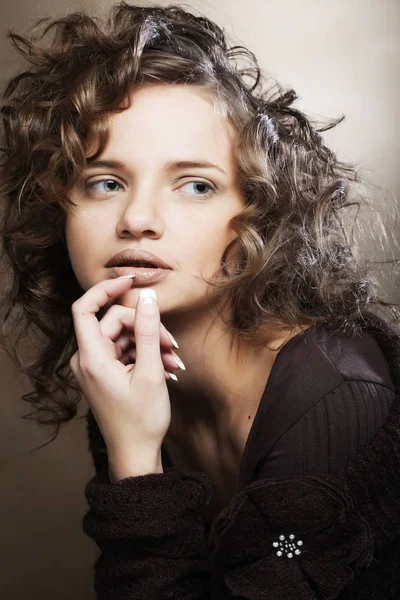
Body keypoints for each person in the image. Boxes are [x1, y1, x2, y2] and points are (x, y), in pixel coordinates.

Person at [1, 2, 400, 598]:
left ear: (255, 217)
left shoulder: (332, 398)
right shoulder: (129, 371)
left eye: (195, 185)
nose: (137, 219)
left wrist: (136, 464)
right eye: (105, 182)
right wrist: (133, 443)